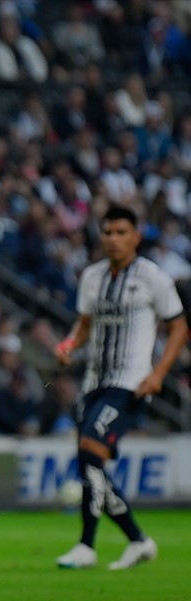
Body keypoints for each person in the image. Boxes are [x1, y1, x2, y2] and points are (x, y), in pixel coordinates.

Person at [55, 206, 188, 570]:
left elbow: (179, 327)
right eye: (108, 232)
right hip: (93, 382)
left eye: (121, 232)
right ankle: (137, 539)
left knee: (88, 453)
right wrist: (69, 345)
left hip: (129, 383)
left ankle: (86, 546)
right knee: (91, 463)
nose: (113, 239)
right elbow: (85, 325)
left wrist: (159, 373)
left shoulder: (152, 277)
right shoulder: (93, 276)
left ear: (136, 236)